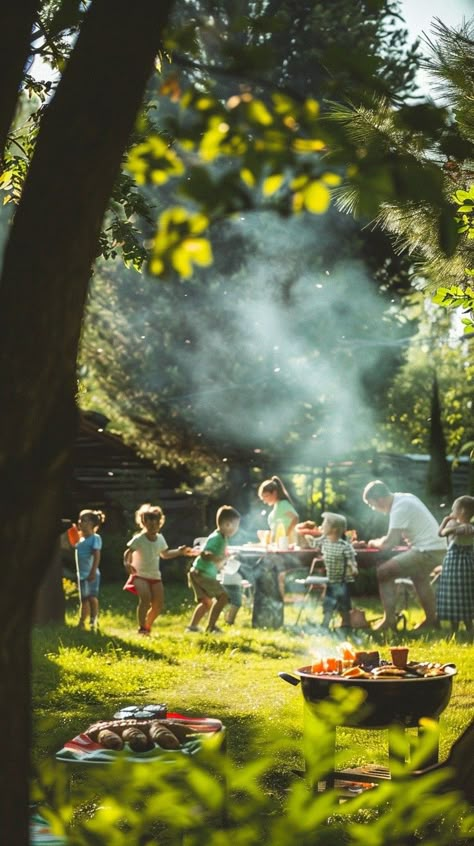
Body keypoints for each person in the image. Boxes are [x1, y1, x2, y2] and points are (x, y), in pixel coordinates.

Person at [362, 480, 447, 631]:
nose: (374, 508)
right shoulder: (404, 497)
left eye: (372, 504)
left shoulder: (399, 508)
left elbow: (390, 542)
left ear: (380, 499)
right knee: (419, 577)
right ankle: (432, 621)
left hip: (428, 550)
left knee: (384, 572)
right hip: (436, 547)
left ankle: (389, 620)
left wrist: (373, 543)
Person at [123, 503, 192, 635]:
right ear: (143, 523)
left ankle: (147, 627)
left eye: (156, 524)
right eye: (149, 524)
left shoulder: (160, 538)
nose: (153, 527)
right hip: (139, 575)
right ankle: (142, 627)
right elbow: (128, 552)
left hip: (155, 576)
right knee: (145, 598)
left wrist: (179, 552)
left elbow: (165, 554)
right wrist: (127, 563)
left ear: (160, 523)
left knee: (158, 605)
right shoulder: (139, 539)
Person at [186, 505, 241, 634]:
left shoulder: (222, 537)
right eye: (236, 525)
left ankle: (192, 627)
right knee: (223, 597)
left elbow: (218, 556)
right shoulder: (217, 538)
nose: (236, 529)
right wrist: (217, 558)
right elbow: (205, 554)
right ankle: (211, 627)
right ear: (227, 524)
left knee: (206, 602)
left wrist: (225, 558)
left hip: (199, 572)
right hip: (202, 573)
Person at [312, 512, 358, 629]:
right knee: (328, 602)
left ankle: (346, 624)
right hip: (331, 579)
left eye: (325, 523)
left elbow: (350, 560)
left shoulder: (344, 545)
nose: (322, 526)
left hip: (342, 580)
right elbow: (312, 543)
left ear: (334, 529)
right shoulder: (324, 541)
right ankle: (325, 623)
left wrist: (353, 567)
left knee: (344, 603)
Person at [436, 495, 474, 637]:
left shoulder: (467, 527)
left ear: (462, 511)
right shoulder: (455, 525)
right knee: (452, 593)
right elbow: (440, 533)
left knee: (464, 593)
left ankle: (469, 625)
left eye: (454, 508)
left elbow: (444, 533)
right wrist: (446, 521)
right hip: (452, 564)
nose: (451, 511)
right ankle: (455, 627)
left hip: (461, 564)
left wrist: (451, 528)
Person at [71, 509, 105, 631]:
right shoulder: (80, 540)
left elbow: (96, 555)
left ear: (92, 524)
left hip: (91, 574)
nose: (80, 522)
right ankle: (82, 622)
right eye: (80, 519)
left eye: (84, 520)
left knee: (91, 598)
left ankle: (92, 620)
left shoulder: (95, 538)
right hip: (82, 575)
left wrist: (92, 571)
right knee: (84, 599)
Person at [258, 475, 299, 544]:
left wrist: (285, 535)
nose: (265, 501)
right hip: (277, 544)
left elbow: (295, 518)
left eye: (266, 496)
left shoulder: (283, 504)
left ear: (274, 493)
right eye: (263, 498)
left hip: (285, 544)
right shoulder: (277, 506)